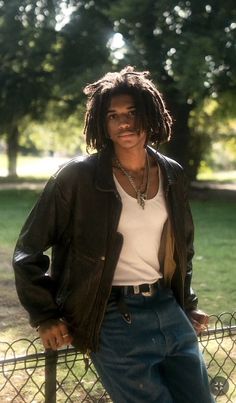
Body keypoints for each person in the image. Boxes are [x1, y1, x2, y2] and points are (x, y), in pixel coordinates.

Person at [13, 66, 215, 403]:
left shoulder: (172, 174)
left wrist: (187, 304)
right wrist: (45, 315)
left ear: (150, 114)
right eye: (113, 115)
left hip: (167, 308)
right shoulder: (77, 177)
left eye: (133, 113)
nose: (125, 123)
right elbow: (27, 250)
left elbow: (183, 249)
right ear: (102, 125)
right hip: (111, 318)